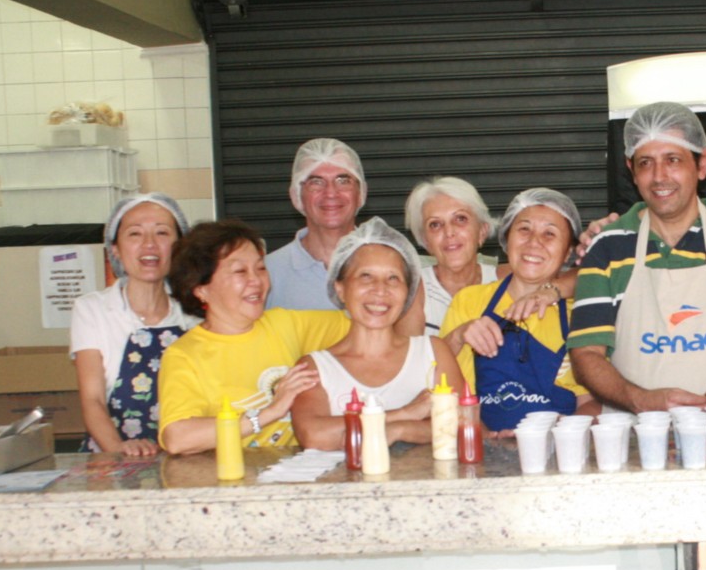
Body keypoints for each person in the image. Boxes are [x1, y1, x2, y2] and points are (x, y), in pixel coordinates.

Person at [568, 102, 706, 412]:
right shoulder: (607, 247)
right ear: (632, 171)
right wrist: (642, 402)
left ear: (703, 164)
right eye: (645, 162)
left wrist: (703, 415)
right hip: (631, 432)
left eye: (673, 159)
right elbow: (585, 355)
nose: (659, 176)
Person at [158, 220, 351, 454]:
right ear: (201, 289)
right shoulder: (184, 355)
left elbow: (364, 326)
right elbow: (178, 438)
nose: (256, 280)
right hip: (235, 474)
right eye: (240, 271)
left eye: (260, 268)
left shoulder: (284, 323)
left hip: (300, 468)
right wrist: (270, 412)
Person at [291, 218, 461, 448]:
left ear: (407, 292)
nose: (380, 289)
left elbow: (461, 423)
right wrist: (404, 414)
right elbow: (314, 435)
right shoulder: (316, 368)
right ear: (340, 289)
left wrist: (399, 430)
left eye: (393, 278)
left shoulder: (433, 352)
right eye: (366, 276)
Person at [441, 188, 597, 432]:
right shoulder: (469, 301)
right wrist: (460, 335)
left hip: (557, 447)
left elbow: (591, 403)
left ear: (568, 251)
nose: (534, 242)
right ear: (507, 240)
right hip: (483, 444)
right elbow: (441, 387)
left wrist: (560, 431)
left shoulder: (579, 314)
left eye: (549, 234)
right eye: (524, 229)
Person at [70, 193, 198, 455]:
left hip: (181, 455)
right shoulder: (92, 310)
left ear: (179, 247)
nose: (149, 244)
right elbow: (93, 400)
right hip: (110, 458)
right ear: (115, 249)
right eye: (135, 234)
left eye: (162, 233)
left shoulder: (194, 316)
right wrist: (120, 451)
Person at [268, 138, 378, 312]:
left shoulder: (390, 266)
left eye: (343, 180)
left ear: (361, 192)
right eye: (316, 182)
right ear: (297, 194)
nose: (331, 193)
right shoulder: (267, 273)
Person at [405, 176, 502, 335]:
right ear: (426, 241)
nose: (449, 232)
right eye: (435, 224)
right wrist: (459, 336)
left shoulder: (504, 280)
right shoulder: (413, 289)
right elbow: (411, 351)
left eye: (460, 219)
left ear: (482, 231)